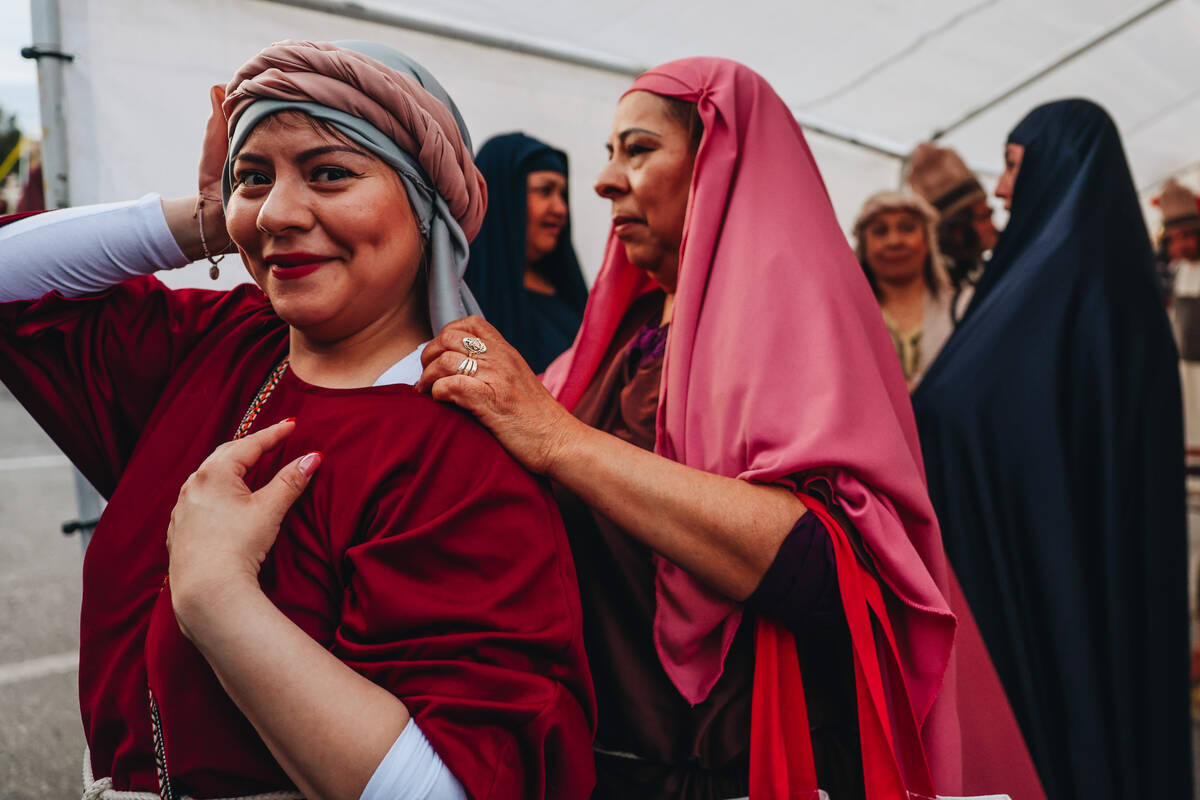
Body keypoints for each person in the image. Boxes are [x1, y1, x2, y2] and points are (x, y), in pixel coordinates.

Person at [0, 40, 595, 800]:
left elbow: (467, 785)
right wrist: (208, 221)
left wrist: (219, 599)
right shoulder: (219, 344)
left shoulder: (462, 455)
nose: (278, 212)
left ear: (426, 204)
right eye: (255, 177)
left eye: (330, 173)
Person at [419, 57, 1023, 800]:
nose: (605, 181)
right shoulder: (623, 335)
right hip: (612, 762)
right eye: (609, 155)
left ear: (718, 164)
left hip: (746, 766)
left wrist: (559, 440)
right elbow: (503, 421)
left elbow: (833, 569)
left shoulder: (791, 323)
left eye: (638, 150)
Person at [913, 98, 1190, 800]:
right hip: (1056, 566)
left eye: (1011, 167)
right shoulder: (1083, 286)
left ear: (1055, 166)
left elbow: (979, 406)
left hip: (1042, 571)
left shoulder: (1066, 289)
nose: (1001, 190)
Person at [465, 132, 588, 373]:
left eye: (562, 194)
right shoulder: (463, 300)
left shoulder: (571, 298)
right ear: (505, 198)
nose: (561, 208)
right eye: (545, 191)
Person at [852, 190, 954, 390]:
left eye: (907, 228)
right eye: (880, 231)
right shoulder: (846, 314)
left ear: (927, 241)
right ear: (863, 245)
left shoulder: (962, 308)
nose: (894, 242)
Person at [907, 142, 997, 311]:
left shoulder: (987, 272)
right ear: (956, 229)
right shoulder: (924, 288)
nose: (993, 226)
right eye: (983, 218)